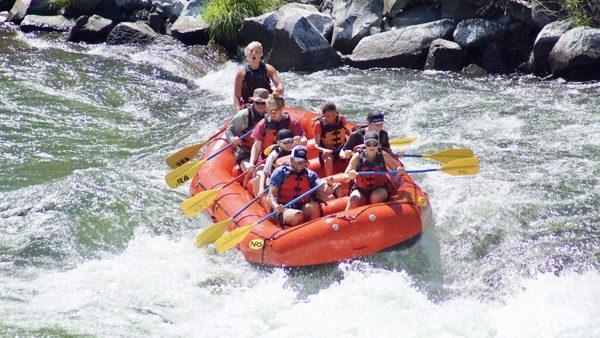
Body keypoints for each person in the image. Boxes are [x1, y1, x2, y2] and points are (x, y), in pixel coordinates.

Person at [268, 146, 333, 227]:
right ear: (291, 160)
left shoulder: (310, 174)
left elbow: (325, 190)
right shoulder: (280, 172)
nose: (300, 165)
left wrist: (329, 184)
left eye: (303, 162)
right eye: (297, 161)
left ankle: (314, 232)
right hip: (283, 208)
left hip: (301, 207)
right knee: (297, 215)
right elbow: (271, 195)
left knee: (314, 206)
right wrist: (276, 206)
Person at [342, 132, 404, 211]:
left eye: (374, 144)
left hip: (380, 188)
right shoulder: (357, 157)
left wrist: (400, 170)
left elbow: (397, 168)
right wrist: (349, 176)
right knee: (354, 199)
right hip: (361, 190)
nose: (372, 147)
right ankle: (346, 219)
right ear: (365, 144)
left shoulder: (383, 155)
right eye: (368, 144)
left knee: (375, 198)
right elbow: (344, 177)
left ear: (378, 144)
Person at [247, 93, 305, 173]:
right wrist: (251, 163)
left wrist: (300, 140)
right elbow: (256, 146)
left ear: (281, 108)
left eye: (274, 111)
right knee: (258, 177)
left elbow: (303, 139)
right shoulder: (262, 124)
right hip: (266, 160)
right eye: (268, 111)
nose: (271, 114)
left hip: (289, 158)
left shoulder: (293, 123)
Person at [225, 88, 269, 172]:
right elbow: (229, 130)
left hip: (265, 149)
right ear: (253, 101)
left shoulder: (271, 114)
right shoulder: (243, 115)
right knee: (248, 167)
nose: (260, 105)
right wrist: (232, 139)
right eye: (257, 102)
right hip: (246, 150)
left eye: (263, 103)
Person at [233, 41, 284, 111]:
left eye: (256, 51)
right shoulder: (241, 73)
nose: (254, 53)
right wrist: (238, 112)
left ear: (261, 54)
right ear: (246, 54)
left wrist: (278, 90)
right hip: (249, 104)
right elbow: (236, 96)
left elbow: (279, 85)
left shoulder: (268, 69)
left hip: (266, 102)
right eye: (251, 51)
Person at [251, 129, 296, 195]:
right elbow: (265, 173)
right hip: (275, 182)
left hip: (291, 181)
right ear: (278, 143)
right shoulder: (274, 155)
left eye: (291, 141)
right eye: (285, 142)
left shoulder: (295, 151)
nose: (289, 144)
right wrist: (261, 189)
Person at [313, 101, 352, 177]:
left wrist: (352, 140)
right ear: (323, 115)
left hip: (342, 149)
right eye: (328, 116)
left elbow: (348, 132)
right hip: (328, 151)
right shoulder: (319, 125)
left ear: (336, 113)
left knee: (352, 154)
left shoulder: (341, 119)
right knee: (328, 159)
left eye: (333, 115)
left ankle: (350, 178)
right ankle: (330, 181)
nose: (331, 118)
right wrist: (324, 150)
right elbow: (316, 146)